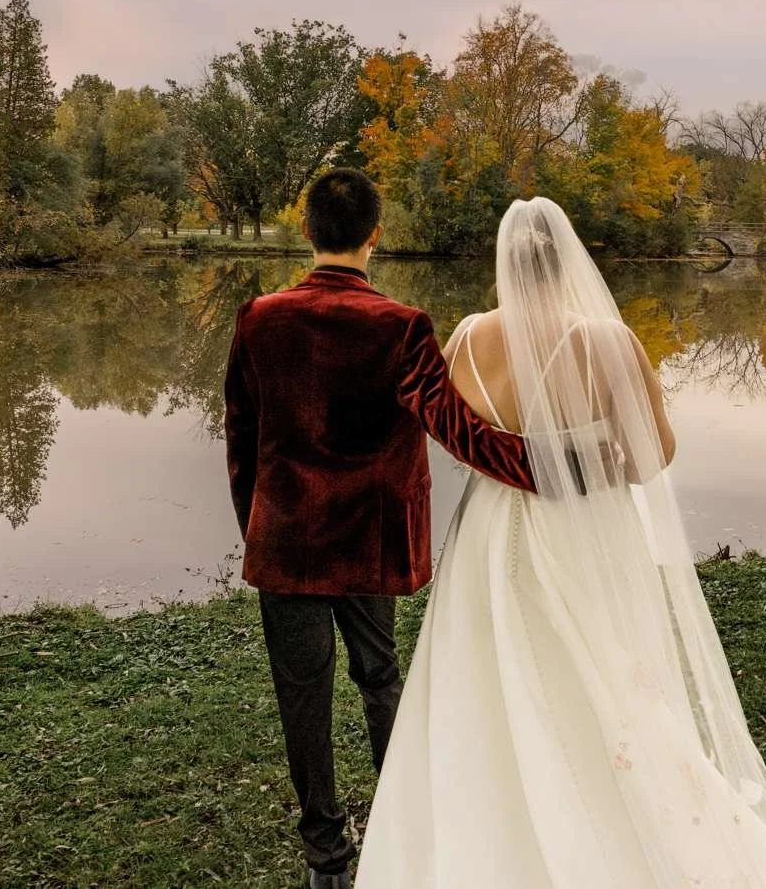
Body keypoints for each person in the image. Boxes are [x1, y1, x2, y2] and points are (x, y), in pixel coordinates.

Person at [358, 197, 766, 888]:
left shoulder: (463, 339)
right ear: (571, 259)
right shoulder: (608, 344)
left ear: (506, 266)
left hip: (489, 536)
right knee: (597, 676)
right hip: (577, 532)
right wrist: (597, 453)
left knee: (488, 681)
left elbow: (462, 447)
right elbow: (653, 458)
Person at [223, 168, 537, 889]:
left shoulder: (258, 318)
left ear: (306, 230)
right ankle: (403, 826)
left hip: (288, 542)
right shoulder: (401, 327)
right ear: (375, 235)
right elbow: (459, 432)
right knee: (381, 678)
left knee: (301, 697)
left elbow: (240, 439)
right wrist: (551, 467)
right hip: (372, 540)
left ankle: (325, 859)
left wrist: (259, 528)